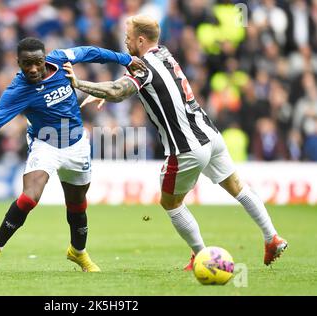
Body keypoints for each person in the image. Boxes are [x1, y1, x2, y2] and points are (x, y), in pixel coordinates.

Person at [63, 15, 287, 268]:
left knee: (170, 203)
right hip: (210, 134)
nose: (125, 43)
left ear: (140, 39)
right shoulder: (165, 53)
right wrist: (105, 90)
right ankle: (272, 237)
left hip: (186, 147)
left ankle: (202, 256)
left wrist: (80, 84)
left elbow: (118, 91)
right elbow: (125, 88)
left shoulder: (143, 65)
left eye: (127, 38)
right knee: (237, 186)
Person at [0, 37, 145, 272]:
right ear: (18, 63)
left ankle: (78, 253)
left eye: (37, 62)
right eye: (26, 63)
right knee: (30, 196)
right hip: (45, 144)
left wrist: (127, 59)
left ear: (44, 58)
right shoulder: (18, 91)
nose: (33, 68)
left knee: (77, 204)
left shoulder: (60, 59)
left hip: (77, 144)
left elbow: (91, 52)